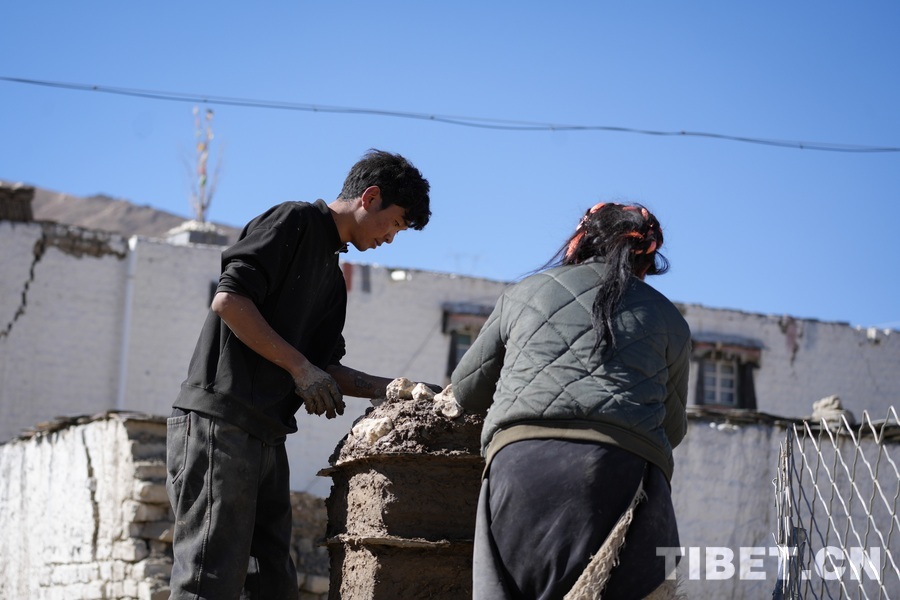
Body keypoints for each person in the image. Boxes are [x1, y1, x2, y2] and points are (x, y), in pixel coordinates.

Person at [166, 149, 432, 600]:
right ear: (370, 197)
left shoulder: (332, 275)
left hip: (266, 436)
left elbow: (326, 367)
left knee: (270, 585)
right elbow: (229, 301)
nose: (391, 238)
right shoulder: (293, 221)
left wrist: (393, 390)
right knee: (207, 581)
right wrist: (299, 368)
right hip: (220, 426)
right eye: (395, 223)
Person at [451, 202, 692, 600]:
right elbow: (673, 427)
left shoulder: (524, 294)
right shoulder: (670, 319)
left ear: (581, 240)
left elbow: (467, 390)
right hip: (623, 473)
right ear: (647, 258)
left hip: (521, 467)